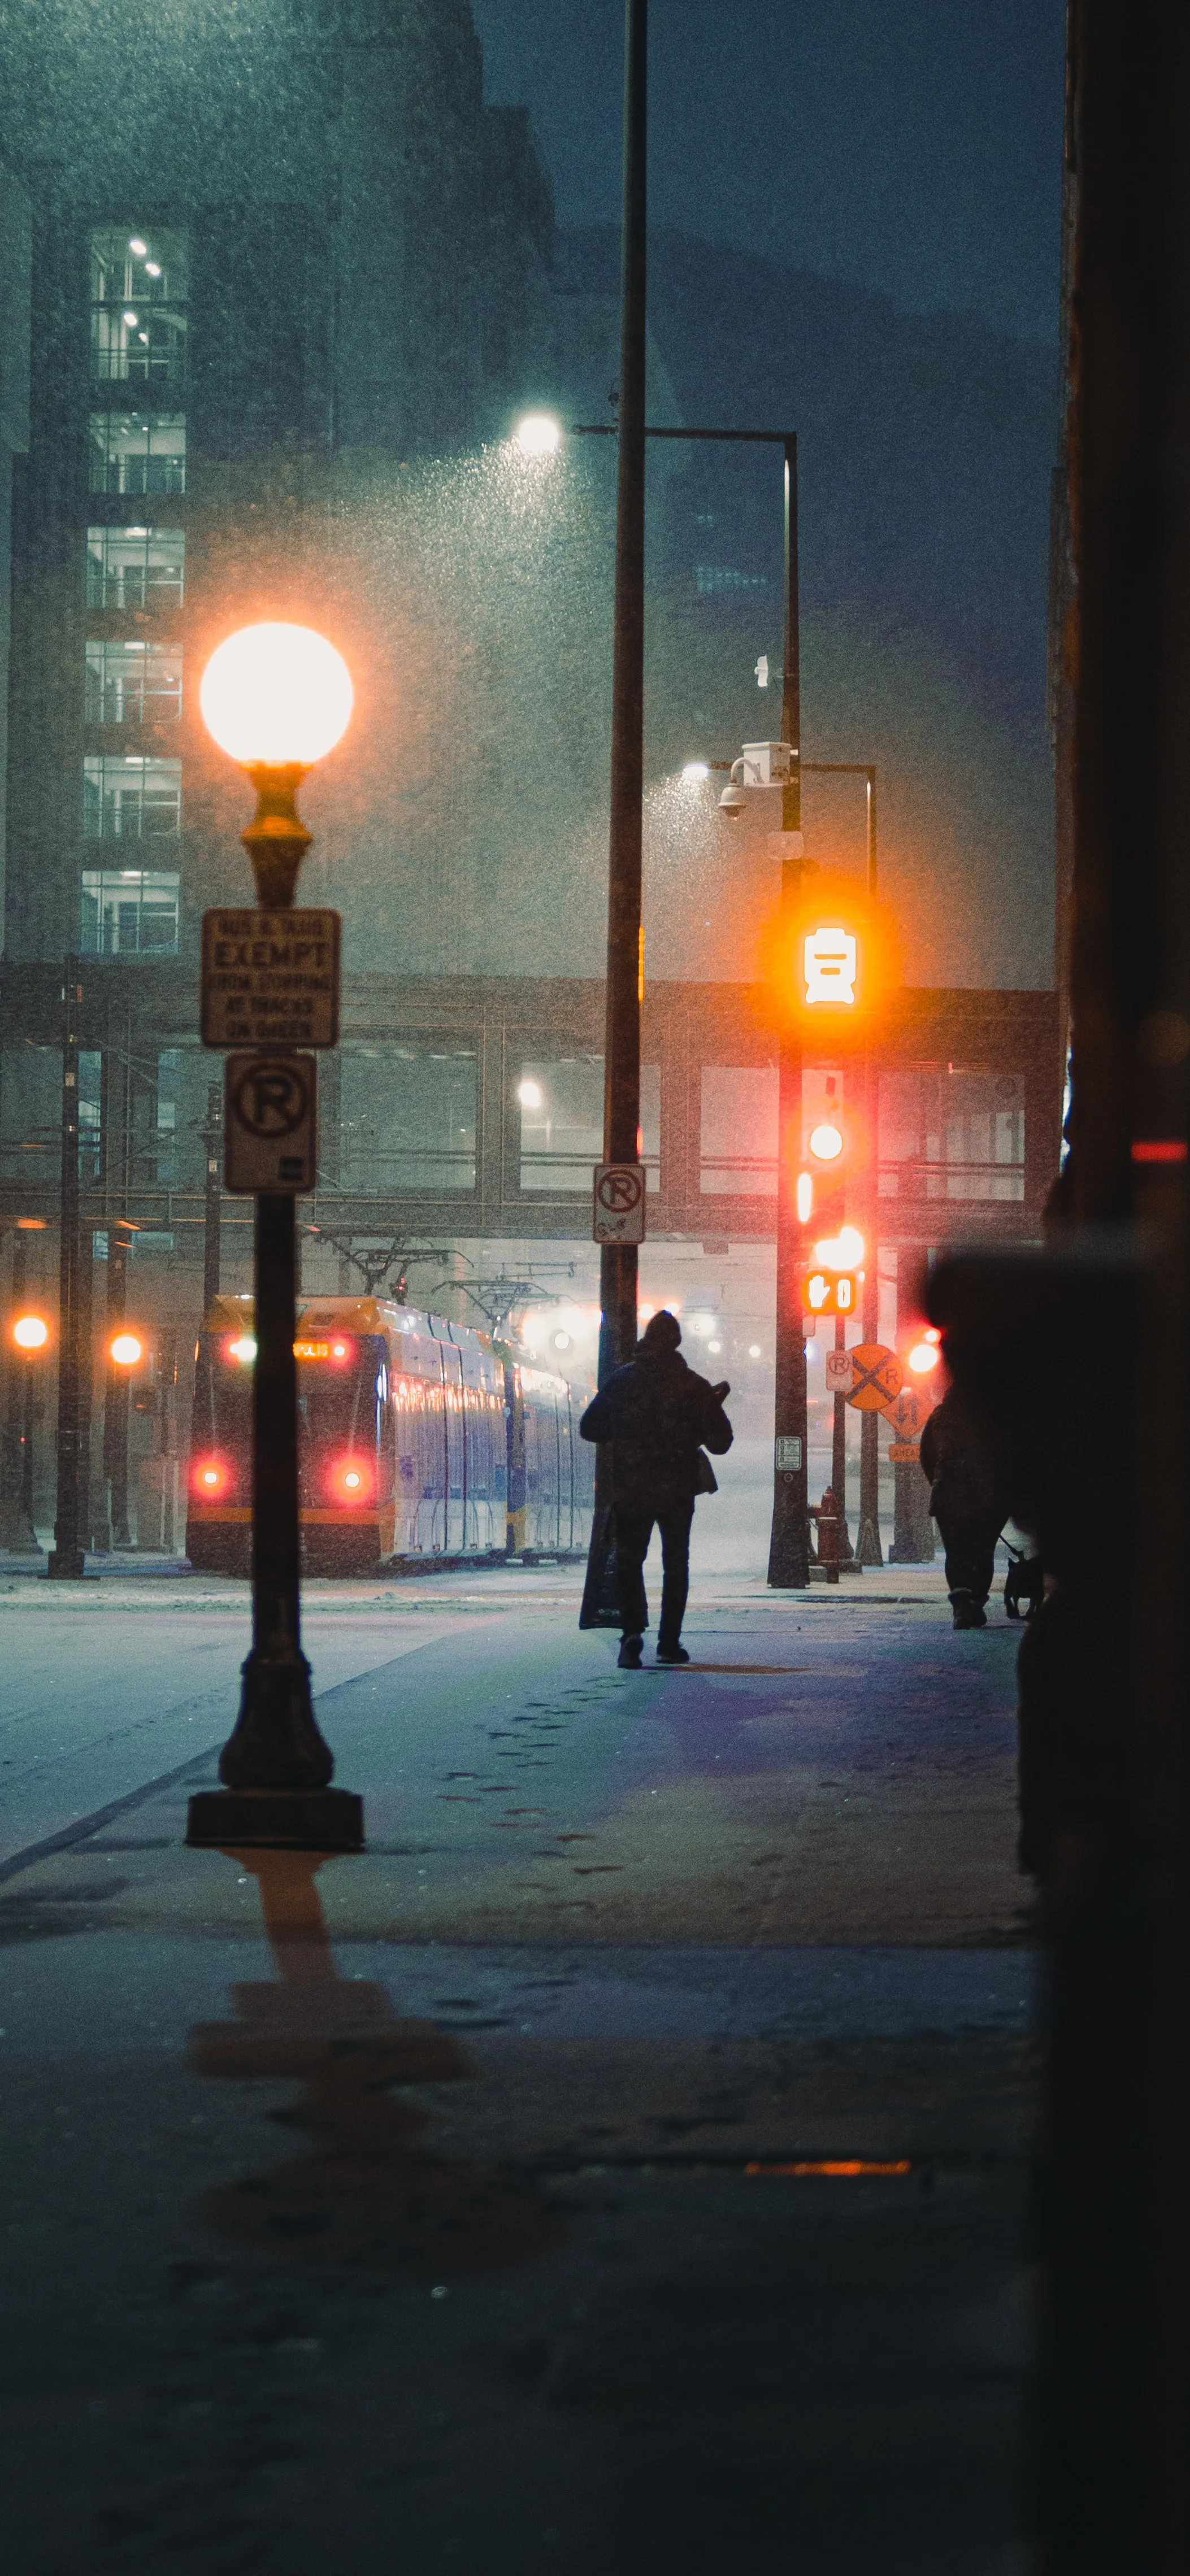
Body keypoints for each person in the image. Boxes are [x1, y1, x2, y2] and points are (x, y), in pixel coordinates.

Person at [579, 1309, 733, 1668]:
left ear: (646, 1340)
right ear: (678, 1343)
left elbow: (590, 1428)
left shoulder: (622, 1381)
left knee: (631, 1563)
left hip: (632, 1486)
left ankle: (632, 1636)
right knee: (676, 1564)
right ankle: (669, 1643)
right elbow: (722, 1443)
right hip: (677, 1490)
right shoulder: (693, 1386)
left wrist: (624, 1432)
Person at [919, 1381, 1010, 1630]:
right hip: (989, 1497)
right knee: (983, 1551)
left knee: (956, 1551)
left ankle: (961, 1604)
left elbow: (927, 1454)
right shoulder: (995, 1416)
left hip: (948, 1497)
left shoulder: (940, 1417)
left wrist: (939, 1482)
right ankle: (975, 1601)